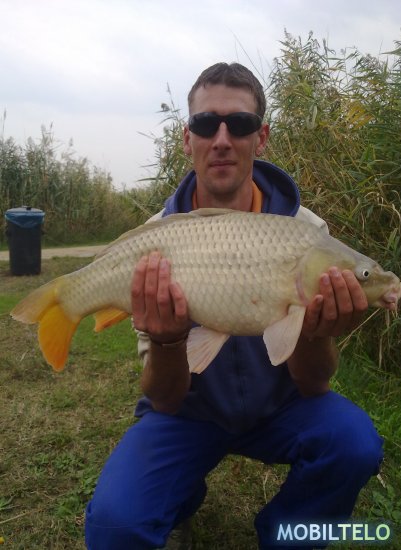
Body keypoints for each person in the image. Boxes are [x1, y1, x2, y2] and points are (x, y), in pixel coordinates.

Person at [85, 62, 383, 549]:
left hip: (281, 409)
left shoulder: (308, 234)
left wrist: (315, 330)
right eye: (206, 124)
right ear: (188, 138)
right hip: (187, 412)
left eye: (240, 124)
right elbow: (164, 399)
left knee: (354, 443)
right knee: (114, 527)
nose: (222, 139)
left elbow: (314, 383)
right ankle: (180, 496)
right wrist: (168, 340)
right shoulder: (155, 240)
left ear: (260, 137)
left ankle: (288, 536)